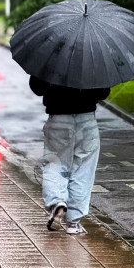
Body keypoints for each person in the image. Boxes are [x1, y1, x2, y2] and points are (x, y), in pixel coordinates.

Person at [29, 76, 110, 235]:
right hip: (87, 118)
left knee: (55, 164)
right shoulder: (91, 57)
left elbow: (37, 87)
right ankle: (74, 223)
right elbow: (103, 92)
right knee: (84, 169)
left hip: (58, 118)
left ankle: (56, 202)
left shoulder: (50, 55)